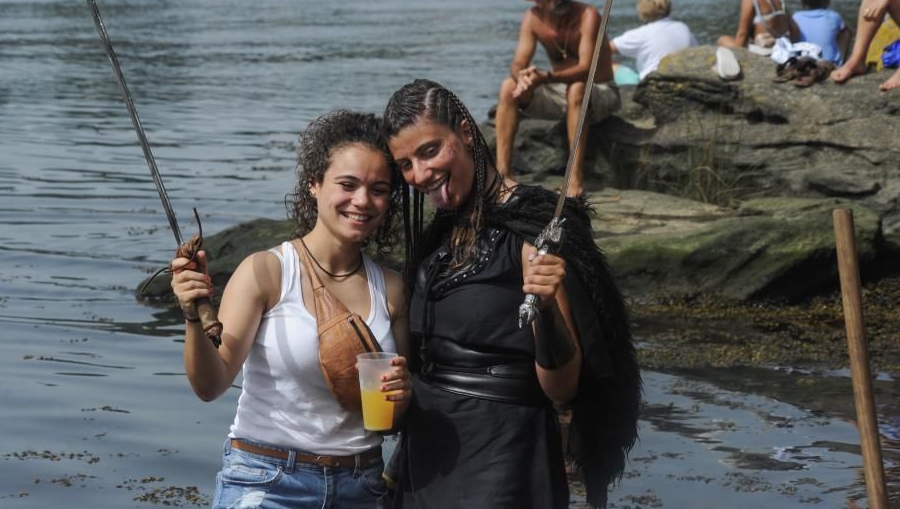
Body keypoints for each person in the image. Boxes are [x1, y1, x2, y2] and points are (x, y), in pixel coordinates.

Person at [382, 79, 641, 509]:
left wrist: (543, 311)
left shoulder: (537, 227)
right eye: (405, 164)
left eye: (429, 151)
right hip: (424, 453)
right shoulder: (440, 236)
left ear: (466, 131)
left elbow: (562, 390)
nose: (420, 175)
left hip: (503, 455)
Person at [170, 110, 412, 509]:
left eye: (379, 189)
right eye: (347, 185)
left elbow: (393, 422)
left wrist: (402, 397)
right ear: (315, 183)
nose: (362, 201)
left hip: (361, 485)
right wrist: (193, 317)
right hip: (267, 481)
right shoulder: (266, 272)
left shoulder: (391, 288)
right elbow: (210, 386)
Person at [495, 0, 621, 197]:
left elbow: (586, 69)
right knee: (507, 87)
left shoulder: (587, 15)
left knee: (576, 88)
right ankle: (503, 176)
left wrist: (546, 77)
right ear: (538, 0)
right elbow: (518, 62)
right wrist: (522, 77)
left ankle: (574, 181)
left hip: (599, 90)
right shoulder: (533, 18)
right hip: (561, 92)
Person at [609, 0, 697, 81]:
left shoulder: (640, 34)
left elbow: (604, 49)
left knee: (608, 63)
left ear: (642, 12)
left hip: (651, 84)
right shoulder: (683, 27)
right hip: (684, 81)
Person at [792, 0, 852, 66]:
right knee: (846, 31)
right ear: (827, 0)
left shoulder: (796, 17)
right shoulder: (833, 16)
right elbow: (846, 32)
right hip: (828, 64)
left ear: (803, 1)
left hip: (802, 63)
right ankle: (841, 61)